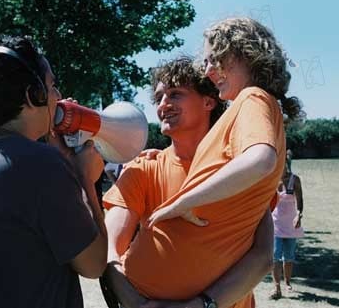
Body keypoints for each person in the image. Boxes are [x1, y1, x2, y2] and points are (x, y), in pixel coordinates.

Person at [139, 17, 304, 306]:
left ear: (246, 54)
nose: (208, 69)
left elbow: (260, 160)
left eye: (216, 58)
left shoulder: (251, 97)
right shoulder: (255, 107)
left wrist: (183, 202)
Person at [0, 35, 107, 308]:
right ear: (33, 95)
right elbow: (94, 264)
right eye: (52, 86)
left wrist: (58, 155)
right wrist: (84, 178)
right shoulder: (42, 165)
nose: (58, 97)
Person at [102, 56, 274, 308]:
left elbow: (262, 256)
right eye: (159, 97)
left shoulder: (241, 170)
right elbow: (108, 249)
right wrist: (136, 303)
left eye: (175, 94)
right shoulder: (143, 167)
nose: (163, 105)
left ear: (208, 101)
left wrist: (202, 305)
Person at [270, 164, 304, 300]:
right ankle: (276, 286)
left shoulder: (294, 180)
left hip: (291, 224)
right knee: (275, 256)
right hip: (275, 223)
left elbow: (300, 200)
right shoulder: (272, 179)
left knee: (289, 257)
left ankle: (287, 282)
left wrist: (298, 215)